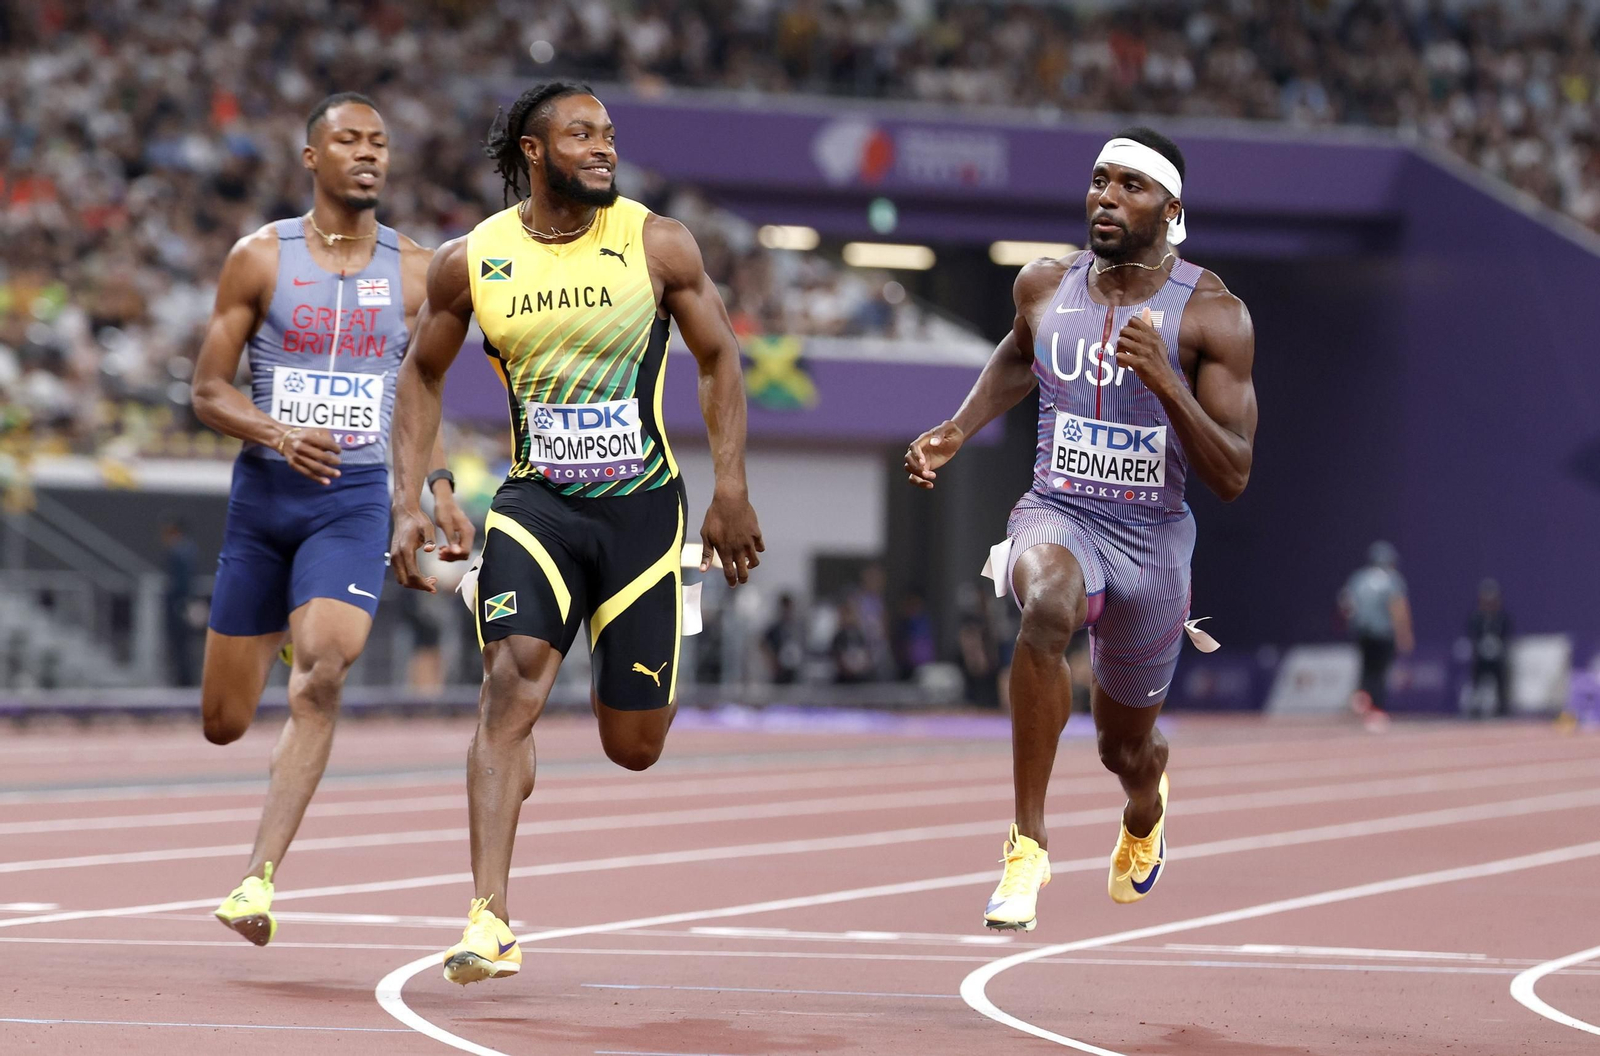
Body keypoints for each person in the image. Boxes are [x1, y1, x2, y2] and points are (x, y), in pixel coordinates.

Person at [387, 82, 763, 986]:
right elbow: (421, 375)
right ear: (532, 150)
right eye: (581, 135)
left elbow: (718, 357)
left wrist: (732, 490)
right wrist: (416, 493)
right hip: (537, 505)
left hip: (642, 510)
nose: (604, 148)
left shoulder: (657, 242)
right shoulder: (471, 259)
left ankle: (537, 737)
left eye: (609, 135)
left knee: (633, 745)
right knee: (509, 684)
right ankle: (489, 917)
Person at [906, 127, 1257, 930]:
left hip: (1154, 543)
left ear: (1169, 209)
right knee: (1048, 605)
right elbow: (1020, 354)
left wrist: (1167, 381)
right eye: (1100, 179)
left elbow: (1233, 473)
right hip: (1059, 511)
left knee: (1123, 749)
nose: (1106, 196)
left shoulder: (1214, 315)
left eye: (1130, 185)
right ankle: (1027, 844)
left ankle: (1145, 802)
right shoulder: (1042, 283)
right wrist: (958, 429)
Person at [191, 92, 474, 946]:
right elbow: (206, 390)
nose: (367, 153)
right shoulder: (259, 259)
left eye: (379, 142)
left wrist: (437, 487)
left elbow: (423, 394)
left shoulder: (423, 272)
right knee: (224, 723)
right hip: (264, 502)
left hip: (351, 503)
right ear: (310, 157)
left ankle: (255, 881)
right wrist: (278, 430)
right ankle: (287, 622)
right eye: (347, 140)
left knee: (321, 677)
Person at [1339, 540, 1413, 717]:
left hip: (1363, 631)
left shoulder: (1358, 578)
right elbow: (1398, 608)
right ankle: (1376, 709)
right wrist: (1404, 634)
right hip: (1384, 633)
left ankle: (1362, 698)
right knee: (1380, 671)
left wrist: (1354, 622)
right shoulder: (1392, 580)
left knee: (1366, 668)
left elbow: (1346, 605)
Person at [160, 519, 198, 687]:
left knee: (180, 646)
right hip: (183, 603)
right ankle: (185, 680)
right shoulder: (189, 550)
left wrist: (178, 603)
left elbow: (181, 583)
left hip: (178, 605)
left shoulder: (179, 552)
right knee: (184, 645)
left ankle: (184, 681)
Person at [1465, 578, 1510, 718]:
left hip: (1497, 656)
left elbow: (1507, 634)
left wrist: (1498, 646)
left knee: (1501, 677)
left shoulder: (1502, 617)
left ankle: (1502, 708)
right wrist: (1480, 646)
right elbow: (1472, 634)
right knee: (1476, 677)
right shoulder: (1477, 617)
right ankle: (1475, 707)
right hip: (1481, 656)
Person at [761, 592, 805, 684]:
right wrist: (772, 661)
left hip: (795, 671)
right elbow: (763, 643)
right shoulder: (775, 628)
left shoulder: (797, 627)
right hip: (780, 671)